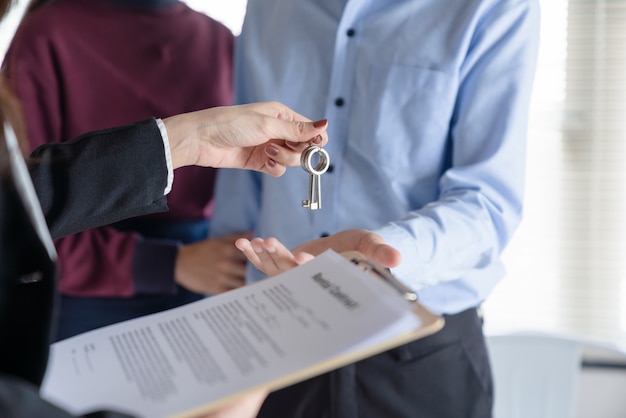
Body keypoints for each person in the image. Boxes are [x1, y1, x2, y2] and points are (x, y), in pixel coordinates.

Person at [211, 0, 541, 417]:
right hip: (279, 334)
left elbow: (488, 201)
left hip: (418, 348)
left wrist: (381, 255)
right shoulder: (270, 7)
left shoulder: (495, 7)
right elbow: (244, 163)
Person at [1, 0, 249, 341]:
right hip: (93, 287)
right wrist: (170, 263)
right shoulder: (47, 35)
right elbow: (28, 207)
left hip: (216, 272)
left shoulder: (221, 40)